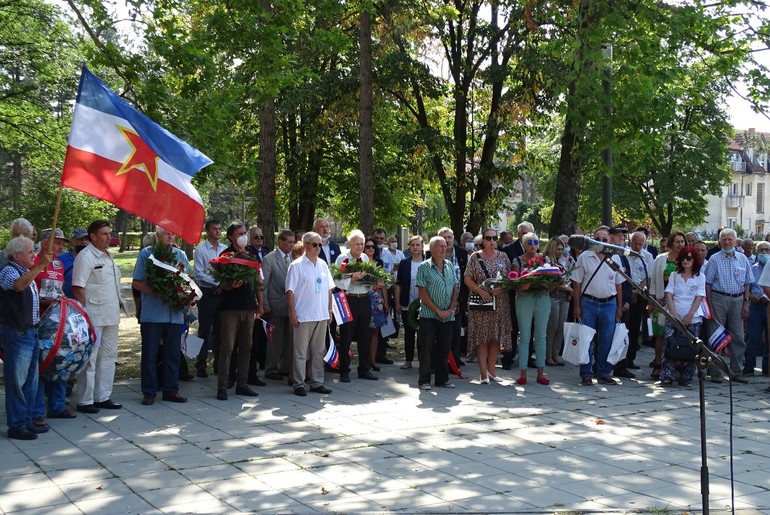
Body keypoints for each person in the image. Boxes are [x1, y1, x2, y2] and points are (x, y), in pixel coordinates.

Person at [1, 236, 52, 440]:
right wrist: (39, 266)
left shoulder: (26, 271)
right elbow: (18, 286)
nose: (34, 254)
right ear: (17, 255)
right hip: (16, 332)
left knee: (30, 381)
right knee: (17, 381)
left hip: (30, 331)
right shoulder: (8, 270)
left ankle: (27, 420)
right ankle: (16, 425)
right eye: (31, 251)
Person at [132, 227, 190, 405]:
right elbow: (137, 282)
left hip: (175, 314)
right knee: (150, 354)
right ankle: (149, 391)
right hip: (153, 315)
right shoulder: (146, 254)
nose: (170, 235)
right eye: (166, 233)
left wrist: (185, 299)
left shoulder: (180, 255)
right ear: (157, 236)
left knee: (173, 354)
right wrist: (157, 292)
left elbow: (188, 280)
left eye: (173, 233)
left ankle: (171, 390)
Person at [72, 220, 125, 413]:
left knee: (109, 356)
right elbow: (78, 287)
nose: (108, 237)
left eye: (109, 233)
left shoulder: (108, 256)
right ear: (92, 236)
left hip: (111, 314)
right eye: (104, 234)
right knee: (90, 358)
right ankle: (85, 400)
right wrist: (84, 315)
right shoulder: (85, 257)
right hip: (93, 315)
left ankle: (103, 396)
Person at [216, 223, 264, 400]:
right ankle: (222, 385)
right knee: (228, 347)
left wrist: (261, 304)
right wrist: (230, 286)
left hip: (249, 306)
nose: (243, 236)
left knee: (246, 346)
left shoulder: (251, 253)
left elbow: (259, 280)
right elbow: (221, 283)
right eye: (240, 233)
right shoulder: (225, 254)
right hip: (230, 308)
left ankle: (242, 384)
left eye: (245, 233)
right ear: (231, 237)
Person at [571, 227, 625, 386]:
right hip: (588, 302)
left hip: (609, 303)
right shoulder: (584, 257)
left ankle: (603, 373)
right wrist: (577, 306)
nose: (601, 243)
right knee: (586, 340)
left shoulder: (615, 256)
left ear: (609, 241)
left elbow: (619, 284)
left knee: (607, 339)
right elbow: (577, 284)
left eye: (604, 239)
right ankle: (586, 373)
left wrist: (619, 307)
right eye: (597, 239)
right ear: (592, 240)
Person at [32, 229, 75, 425]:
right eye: (57, 242)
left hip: (57, 322)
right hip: (38, 320)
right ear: (44, 242)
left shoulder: (59, 263)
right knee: (40, 365)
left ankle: (57, 406)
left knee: (60, 361)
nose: (61, 247)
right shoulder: (33, 260)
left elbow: (58, 288)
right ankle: (37, 410)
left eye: (62, 243)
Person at [286, 232, 335, 396]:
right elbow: (290, 292)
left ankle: (316, 382)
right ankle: (298, 383)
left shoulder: (322, 264)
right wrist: (292, 313)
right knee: (300, 352)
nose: (318, 248)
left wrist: (329, 310)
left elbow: (329, 289)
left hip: (320, 314)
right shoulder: (296, 265)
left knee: (318, 351)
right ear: (305, 245)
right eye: (315, 244)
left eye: (320, 244)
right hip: (303, 314)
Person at [464, 228, 512, 383]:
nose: (492, 241)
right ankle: (483, 373)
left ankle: (492, 371)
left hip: (500, 303)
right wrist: (480, 291)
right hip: (481, 303)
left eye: (494, 238)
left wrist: (502, 288)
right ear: (482, 240)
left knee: (495, 337)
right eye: (488, 238)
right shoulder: (475, 257)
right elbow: (467, 278)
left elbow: (511, 277)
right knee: (482, 337)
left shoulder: (503, 256)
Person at [704, 228, 752, 384]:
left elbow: (747, 283)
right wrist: (709, 304)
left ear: (736, 241)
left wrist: (746, 302)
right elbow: (708, 284)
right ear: (719, 241)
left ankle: (736, 371)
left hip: (738, 300)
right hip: (718, 298)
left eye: (730, 239)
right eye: (723, 239)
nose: (727, 241)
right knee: (716, 335)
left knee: (738, 336)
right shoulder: (714, 259)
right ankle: (715, 371)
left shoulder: (742, 259)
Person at [335, 230, 378, 381]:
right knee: (346, 336)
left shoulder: (365, 257)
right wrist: (351, 281)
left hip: (364, 298)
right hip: (349, 299)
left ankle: (364, 369)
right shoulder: (343, 259)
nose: (360, 247)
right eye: (357, 244)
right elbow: (337, 281)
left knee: (365, 335)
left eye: (362, 244)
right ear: (350, 244)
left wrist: (374, 282)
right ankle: (344, 370)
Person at [416, 236, 458, 390]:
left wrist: (451, 308)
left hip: (448, 316)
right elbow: (422, 292)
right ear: (431, 249)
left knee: (444, 347)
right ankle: (424, 380)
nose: (443, 248)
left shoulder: (449, 266)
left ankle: (442, 379)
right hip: (429, 315)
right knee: (426, 348)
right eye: (439, 246)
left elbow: (455, 288)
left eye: (445, 246)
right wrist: (438, 311)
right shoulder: (424, 267)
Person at [511, 232, 551, 385]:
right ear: (523, 244)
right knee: (525, 336)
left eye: (535, 241)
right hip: (525, 299)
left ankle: (541, 373)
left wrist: (548, 283)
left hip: (542, 298)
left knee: (541, 336)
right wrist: (524, 285)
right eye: (529, 242)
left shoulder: (545, 260)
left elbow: (552, 280)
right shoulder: (517, 261)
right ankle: (522, 374)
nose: (533, 244)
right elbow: (515, 284)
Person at [662, 247, 705, 386]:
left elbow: (700, 297)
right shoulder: (675, 275)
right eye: (683, 258)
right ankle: (668, 375)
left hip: (693, 316)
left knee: (691, 347)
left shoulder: (700, 276)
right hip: (675, 314)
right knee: (669, 344)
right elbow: (668, 294)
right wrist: (674, 314)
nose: (685, 261)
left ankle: (686, 377)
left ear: (695, 260)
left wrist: (690, 315)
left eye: (689, 258)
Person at [649, 231, 686, 380]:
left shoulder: (688, 259)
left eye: (682, 241)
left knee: (678, 335)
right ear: (671, 243)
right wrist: (650, 301)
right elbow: (654, 281)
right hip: (661, 301)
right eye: (677, 241)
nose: (680, 244)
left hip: (681, 302)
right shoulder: (660, 259)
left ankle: (677, 366)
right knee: (660, 335)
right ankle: (658, 364)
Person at [192, 219, 227, 378]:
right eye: (214, 229)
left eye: (219, 229)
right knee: (205, 330)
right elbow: (199, 273)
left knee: (220, 331)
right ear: (207, 231)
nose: (218, 231)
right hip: (207, 292)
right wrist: (217, 283)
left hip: (223, 293)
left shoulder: (225, 249)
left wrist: (223, 284)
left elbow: (227, 270)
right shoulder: (200, 250)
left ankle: (218, 364)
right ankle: (201, 364)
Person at [262, 230, 297, 381]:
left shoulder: (295, 258)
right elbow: (264, 285)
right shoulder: (269, 259)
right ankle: (271, 368)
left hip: (292, 307)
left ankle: (285, 367)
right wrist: (265, 306)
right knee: (275, 340)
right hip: (276, 306)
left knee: (290, 339)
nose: (292, 245)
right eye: (289, 242)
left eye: (293, 241)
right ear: (280, 242)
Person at [623, 231, 654, 370]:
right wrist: (630, 292)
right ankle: (621, 358)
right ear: (630, 242)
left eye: (640, 244)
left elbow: (648, 277)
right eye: (635, 243)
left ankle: (630, 358)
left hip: (640, 295)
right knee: (624, 327)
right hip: (625, 293)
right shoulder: (623, 254)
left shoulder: (647, 256)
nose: (637, 246)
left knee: (635, 327)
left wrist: (638, 290)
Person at [394, 235, 424, 370]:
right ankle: (408, 360)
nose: (415, 247)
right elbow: (398, 284)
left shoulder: (428, 262)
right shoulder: (404, 263)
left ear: (422, 246)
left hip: (425, 304)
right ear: (409, 247)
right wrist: (397, 303)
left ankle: (423, 359)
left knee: (423, 333)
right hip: (407, 303)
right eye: (413, 245)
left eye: (418, 245)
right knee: (409, 333)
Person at [543, 237, 573, 366]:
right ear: (552, 248)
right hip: (552, 296)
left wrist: (569, 289)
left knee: (561, 326)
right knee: (552, 326)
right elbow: (551, 282)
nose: (560, 252)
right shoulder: (546, 261)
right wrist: (570, 290)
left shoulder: (566, 260)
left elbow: (570, 276)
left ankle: (556, 354)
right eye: (558, 249)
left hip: (564, 297)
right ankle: (548, 355)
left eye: (562, 249)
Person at [743, 241, 770, 376]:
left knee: (769, 339)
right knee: (752, 337)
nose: (764, 253)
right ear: (756, 252)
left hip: (768, 305)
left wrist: (767, 296)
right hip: (756, 307)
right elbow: (746, 285)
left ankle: (766, 368)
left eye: (767, 250)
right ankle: (749, 367)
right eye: (761, 250)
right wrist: (750, 296)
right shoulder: (752, 268)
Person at [363, 237, 389, 372]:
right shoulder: (359, 262)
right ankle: (364, 361)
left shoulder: (379, 263)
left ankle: (373, 360)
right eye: (368, 247)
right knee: (364, 333)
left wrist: (386, 301)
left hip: (377, 301)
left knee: (375, 333)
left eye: (373, 247)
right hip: (363, 299)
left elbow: (383, 283)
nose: (371, 249)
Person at [59, 227, 89, 299]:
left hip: (91, 304)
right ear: (72, 241)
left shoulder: (95, 259)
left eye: (86, 239)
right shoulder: (61, 259)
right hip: (69, 304)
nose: (83, 242)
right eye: (80, 239)